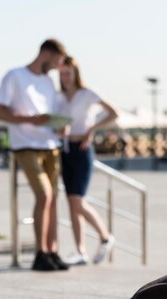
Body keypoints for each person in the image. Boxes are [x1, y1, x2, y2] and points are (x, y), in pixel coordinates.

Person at [0, 38, 69, 271]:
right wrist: (29, 120)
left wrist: (59, 126)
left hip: (51, 144)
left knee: (53, 199)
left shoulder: (48, 81)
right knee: (44, 195)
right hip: (25, 145)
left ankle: (52, 250)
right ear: (45, 55)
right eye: (56, 61)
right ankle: (40, 252)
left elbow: (51, 113)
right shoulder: (14, 76)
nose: (57, 67)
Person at [57, 56, 118, 265]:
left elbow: (113, 113)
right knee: (72, 203)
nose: (65, 77)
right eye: (62, 73)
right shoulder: (59, 97)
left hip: (83, 150)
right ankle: (80, 251)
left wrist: (92, 129)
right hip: (65, 150)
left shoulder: (87, 93)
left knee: (78, 201)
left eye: (68, 73)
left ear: (76, 73)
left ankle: (106, 237)